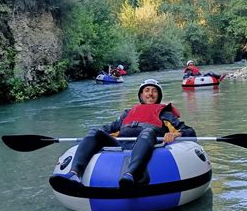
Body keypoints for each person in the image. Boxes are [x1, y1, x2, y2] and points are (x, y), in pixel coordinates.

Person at [53, 79, 196, 189]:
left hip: (146, 143)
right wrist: (91, 140)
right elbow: (109, 127)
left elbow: (190, 131)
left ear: (158, 95)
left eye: (154, 91)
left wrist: (176, 135)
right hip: (120, 145)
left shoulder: (165, 112)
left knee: (147, 131)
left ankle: (131, 174)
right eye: (147, 90)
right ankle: (74, 174)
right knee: (95, 132)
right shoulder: (128, 112)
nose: (150, 93)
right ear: (141, 95)